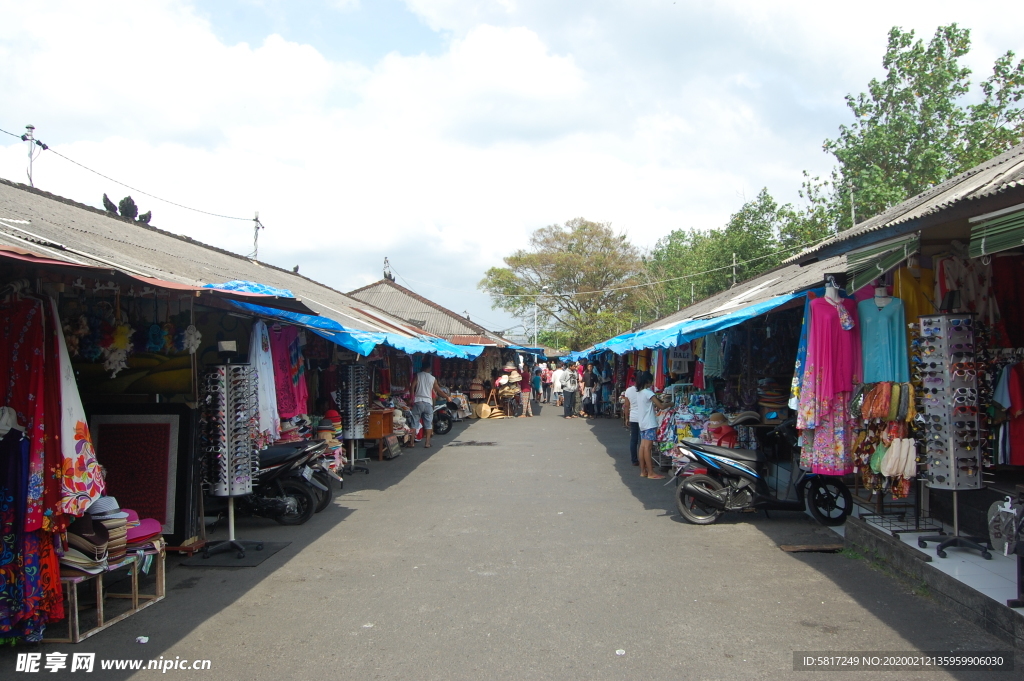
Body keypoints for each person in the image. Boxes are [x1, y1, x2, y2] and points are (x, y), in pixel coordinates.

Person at [409, 358, 452, 448]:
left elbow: (412, 387)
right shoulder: (433, 378)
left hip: (418, 402)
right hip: (428, 402)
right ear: (429, 368)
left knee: (414, 423)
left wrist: (412, 397)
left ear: (422, 368)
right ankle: (427, 443)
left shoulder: (418, 375)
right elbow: (439, 391)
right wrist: (447, 397)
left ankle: (412, 443)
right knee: (428, 424)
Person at [636, 371, 670, 478]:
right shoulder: (648, 392)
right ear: (648, 381)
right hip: (649, 423)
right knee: (648, 448)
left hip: (642, 423)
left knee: (642, 447)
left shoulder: (640, 392)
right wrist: (671, 403)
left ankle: (643, 471)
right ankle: (651, 472)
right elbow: (661, 406)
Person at [622, 377, 641, 466]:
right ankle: (644, 460)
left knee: (634, 440)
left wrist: (626, 418)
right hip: (643, 418)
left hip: (633, 417)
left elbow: (626, 406)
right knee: (643, 441)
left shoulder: (628, 390)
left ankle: (634, 460)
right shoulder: (645, 390)